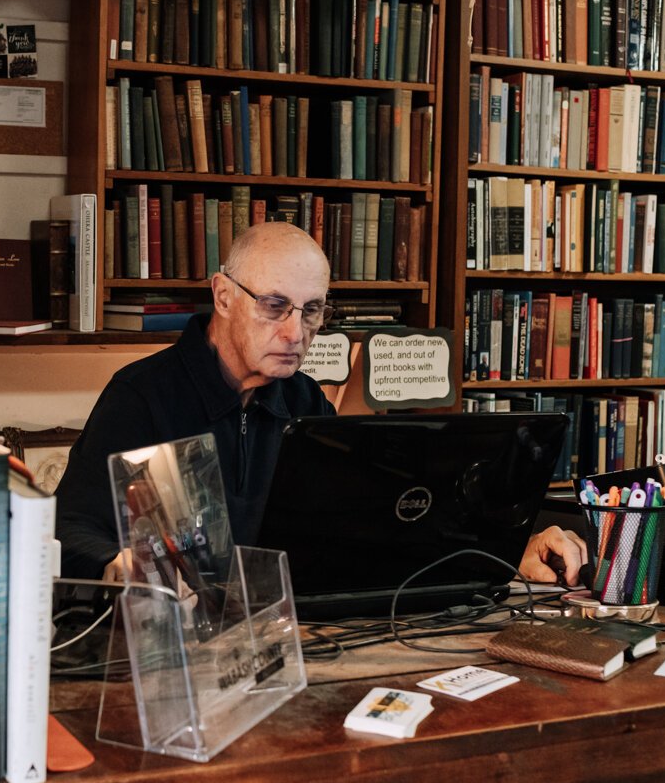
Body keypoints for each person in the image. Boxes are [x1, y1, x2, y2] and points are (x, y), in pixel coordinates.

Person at [53, 221, 585, 588]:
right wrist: (120, 564)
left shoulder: (303, 402)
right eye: (275, 306)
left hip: (293, 637)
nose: (295, 333)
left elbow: (375, 529)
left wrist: (505, 549)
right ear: (222, 295)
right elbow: (68, 528)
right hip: (177, 645)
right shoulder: (142, 395)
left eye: (311, 311)